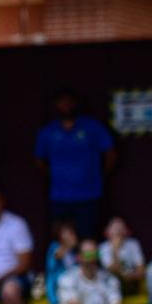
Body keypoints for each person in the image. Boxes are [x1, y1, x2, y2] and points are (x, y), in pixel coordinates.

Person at [32, 87, 114, 238]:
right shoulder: (48, 131)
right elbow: (39, 159)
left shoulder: (92, 127)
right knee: (60, 237)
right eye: (62, 103)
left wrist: (100, 174)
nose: (66, 106)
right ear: (56, 105)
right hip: (59, 195)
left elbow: (109, 152)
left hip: (89, 193)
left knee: (87, 237)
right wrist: (54, 175)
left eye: (69, 102)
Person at [99, 217, 145, 293]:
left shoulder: (133, 244)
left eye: (121, 227)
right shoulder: (103, 248)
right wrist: (115, 250)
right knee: (113, 281)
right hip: (111, 287)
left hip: (132, 283)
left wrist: (129, 277)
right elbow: (113, 270)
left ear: (126, 231)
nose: (118, 230)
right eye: (115, 228)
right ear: (107, 231)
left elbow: (141, 270)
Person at [42, 220, 80, 304]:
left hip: (74, 287)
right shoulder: (54, 246)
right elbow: (58, 255)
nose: (71, 235)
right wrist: (67, 244)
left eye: (72, 232)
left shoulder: (74, 252)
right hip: (56, 287)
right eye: (67, 232)